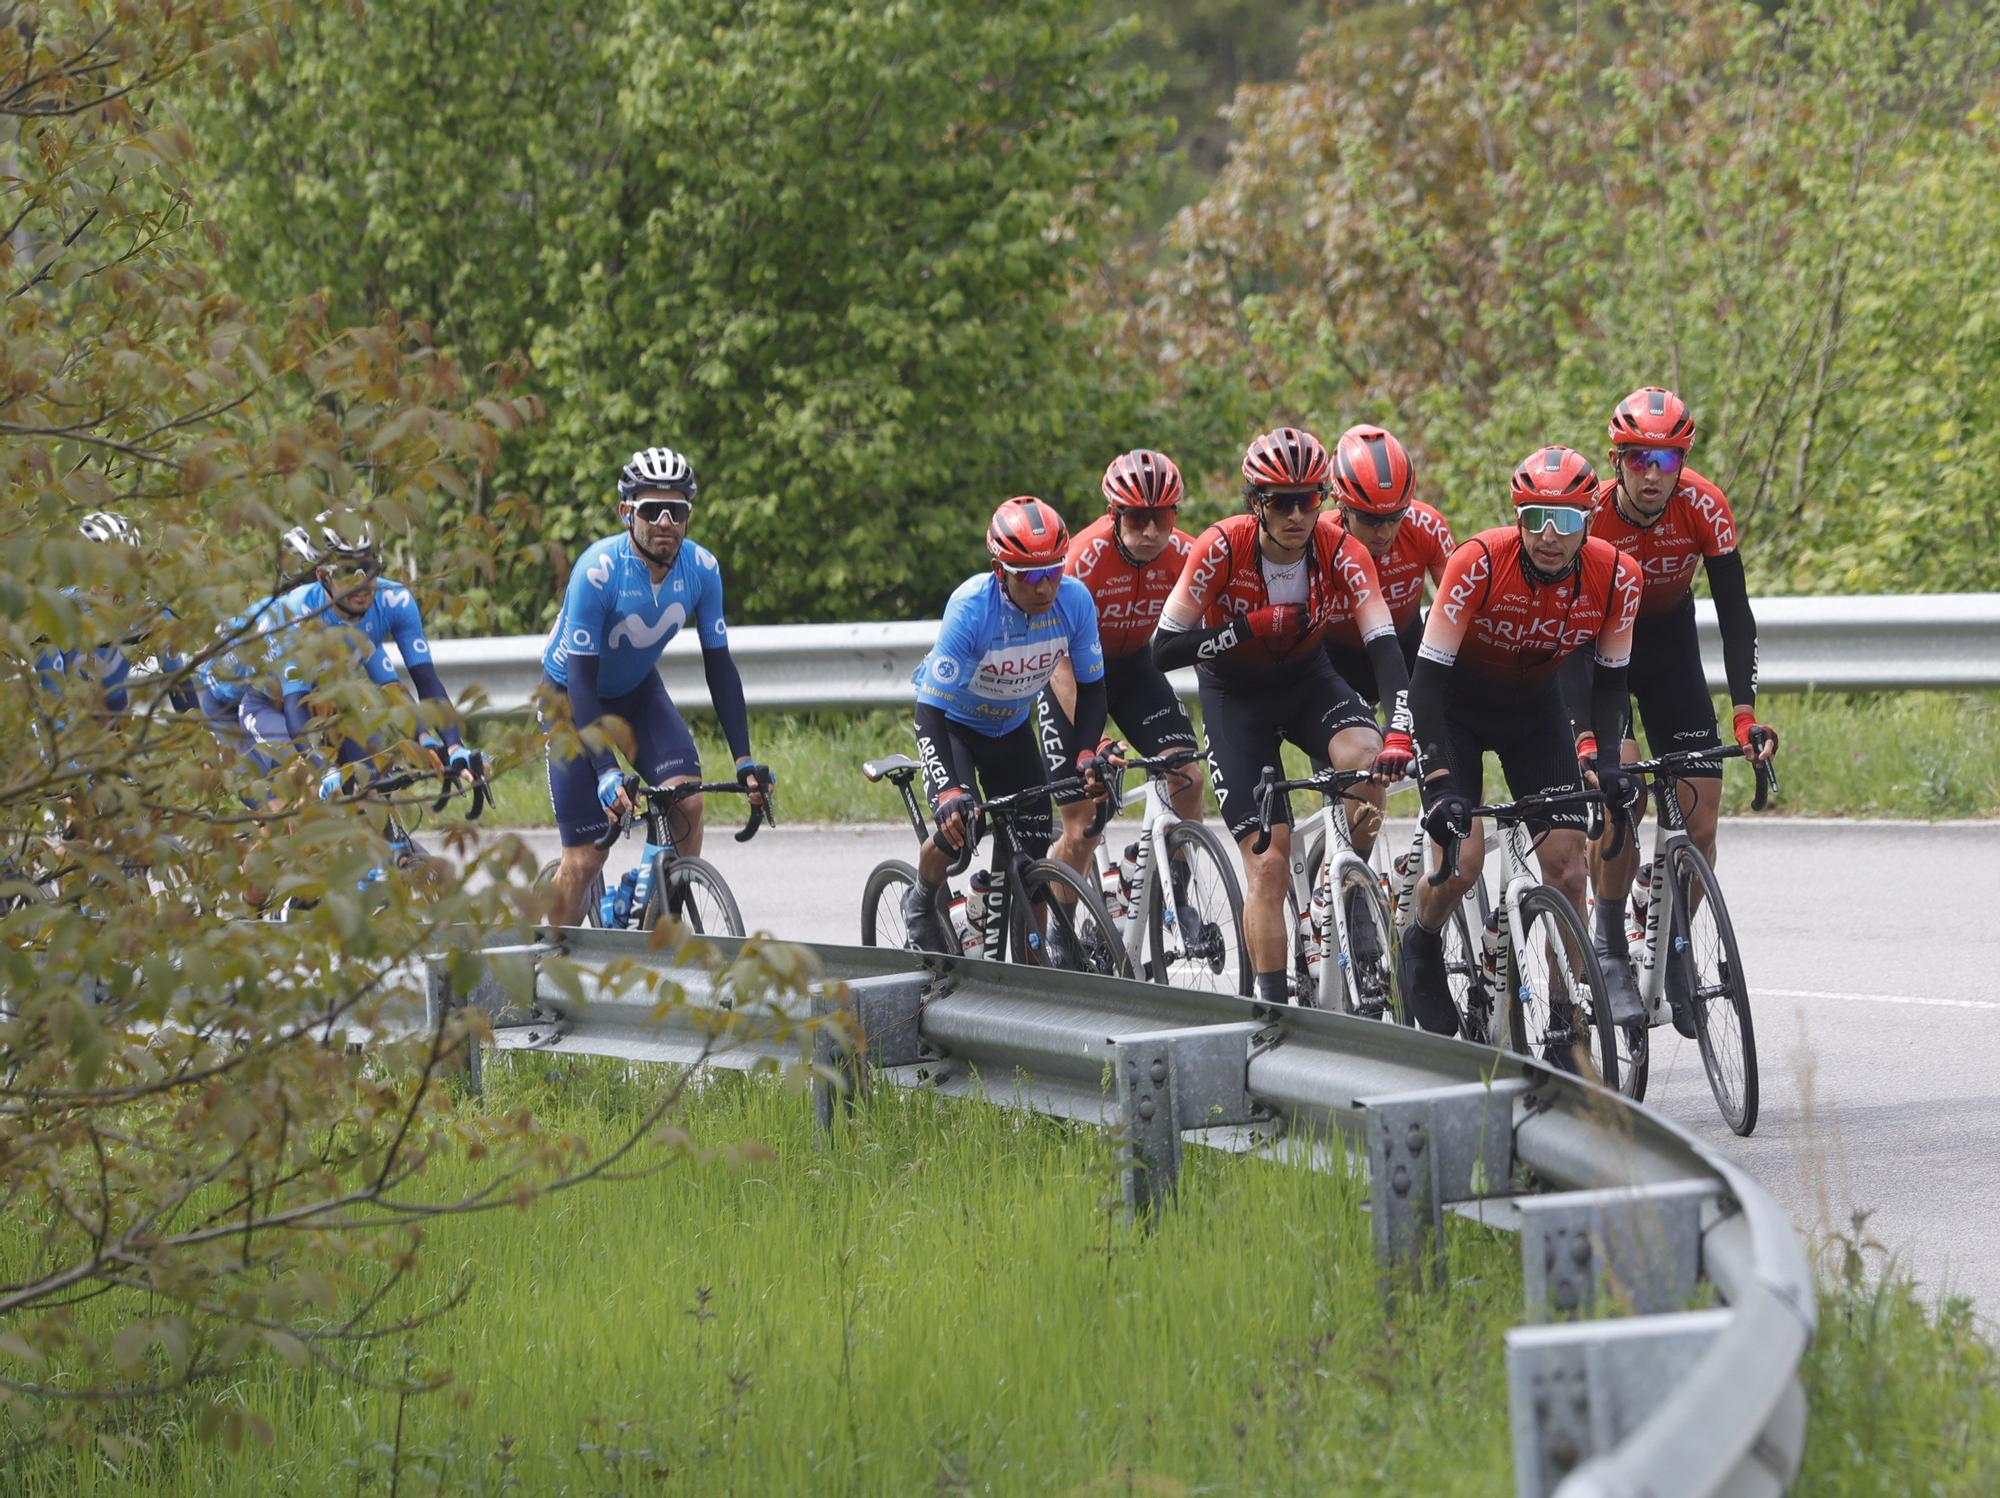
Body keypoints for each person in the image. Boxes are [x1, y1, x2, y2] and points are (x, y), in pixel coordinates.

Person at [1151, 426, 1414, 1009]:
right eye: (1281, 502)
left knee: (1368, 766)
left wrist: (1399, 730)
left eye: (1309, 499)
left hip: (1306, 681)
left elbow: (1385, 648)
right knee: (1268, 864)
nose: (1297, 514)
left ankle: (1345, 890)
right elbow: (1164, 651)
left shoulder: (1341, 549)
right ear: (1255, 503)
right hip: (1235, 696)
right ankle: (1271, 1011)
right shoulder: (1220, 546)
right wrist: (1248, 627)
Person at [1400, 446, 1644, 1041]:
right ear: (1518, 518)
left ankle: (1566, 1016)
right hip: (1455, 712)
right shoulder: (1478, 563)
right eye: (1535, 517)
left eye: (1565, 520)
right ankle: (1421, 941)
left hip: (1534, 712)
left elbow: (1612, 686)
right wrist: (1436, 783)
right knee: (1464, 863)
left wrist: (1608, 763)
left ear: (1589, 519)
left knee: (1566, 869)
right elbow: (1425, 687)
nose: (1550, 536)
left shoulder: (1618, 576)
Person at [1569, 387, 1777, 1034]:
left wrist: (1743, 713)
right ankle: (1607, 943)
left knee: (1700, 816)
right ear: (1616, 460)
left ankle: (1677, 947)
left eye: (1667, 459)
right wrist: (1585, 735)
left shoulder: (1704, 505)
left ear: (1682, 460)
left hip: (1669, 648)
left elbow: (1736, 616)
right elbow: (1566, 626)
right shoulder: (1591, 515)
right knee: (1621, 798)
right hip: (1601, 650)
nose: (1653, 473)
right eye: (1639, 459)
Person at [539, 448, 770, 926]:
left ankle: (654, 919)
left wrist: (744, 760)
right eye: (650, 509)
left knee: (688, 802)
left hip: (637, 693)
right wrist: (604, 769)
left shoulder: (702, 571)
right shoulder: (597, 571)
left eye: (677, 510)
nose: (665, 521)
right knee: (585, 859)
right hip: (571, 699)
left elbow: (720, 669)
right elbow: (581, 681)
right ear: (627, 512)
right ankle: (545, 966)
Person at [902, 496, 1111, 955]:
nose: (1044, 586)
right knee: (959, 832)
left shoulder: (1074, 602)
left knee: (1035, 852)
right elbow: (929, 712)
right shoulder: (973, 608)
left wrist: (1084, 753)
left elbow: (1093, 689)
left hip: (1010, 729)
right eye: (1030, 576)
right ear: (1002, 572)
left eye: (1053, 570)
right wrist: (947, 793)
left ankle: (1028, 964)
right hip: (954, 726)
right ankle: (919, 901)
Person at [1039, 449, 1204, 920]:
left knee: (1187, 776)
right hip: (1072, 676)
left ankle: (1175, 891)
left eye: (1163, 516)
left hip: (1134, 669)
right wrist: (1095, 739)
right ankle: (1062, 933)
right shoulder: (1082, 560)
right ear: (1114, 513)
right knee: (1083, 826)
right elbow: (1059, 664)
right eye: (1136, 517)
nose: (1151, 531)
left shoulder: (1185, 554)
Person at [240, 513, 479, 804]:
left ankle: (394, 848)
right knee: (305, 787)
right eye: (347, 572)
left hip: (325, 705)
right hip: (272, 708)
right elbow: (295, 707)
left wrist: (452, 746)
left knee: (371, 780)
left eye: (369, 570)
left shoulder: (393, 602)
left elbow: (418, 684)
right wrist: (324, 768)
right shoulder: (297, 611)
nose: (362, 583)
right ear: (322, 576)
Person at [1315, 422, 1456, 838]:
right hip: (1335, 661)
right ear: (1341, 505)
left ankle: (1435, 851)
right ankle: (1350, 874)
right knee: (1359, 776)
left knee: (1443, 748)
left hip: (1403, 647)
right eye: (1370, 519)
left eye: (1395, 517)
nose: (1384, 532)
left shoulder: (1427, 527)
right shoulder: (1318, 538)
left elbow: (1459, 608)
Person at [37, 512, 196, 724]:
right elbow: (50, 697)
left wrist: (198, 739)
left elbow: (179, 684)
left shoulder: (152, 616)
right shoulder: (55, 610)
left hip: (114, 706)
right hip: (70, 713)